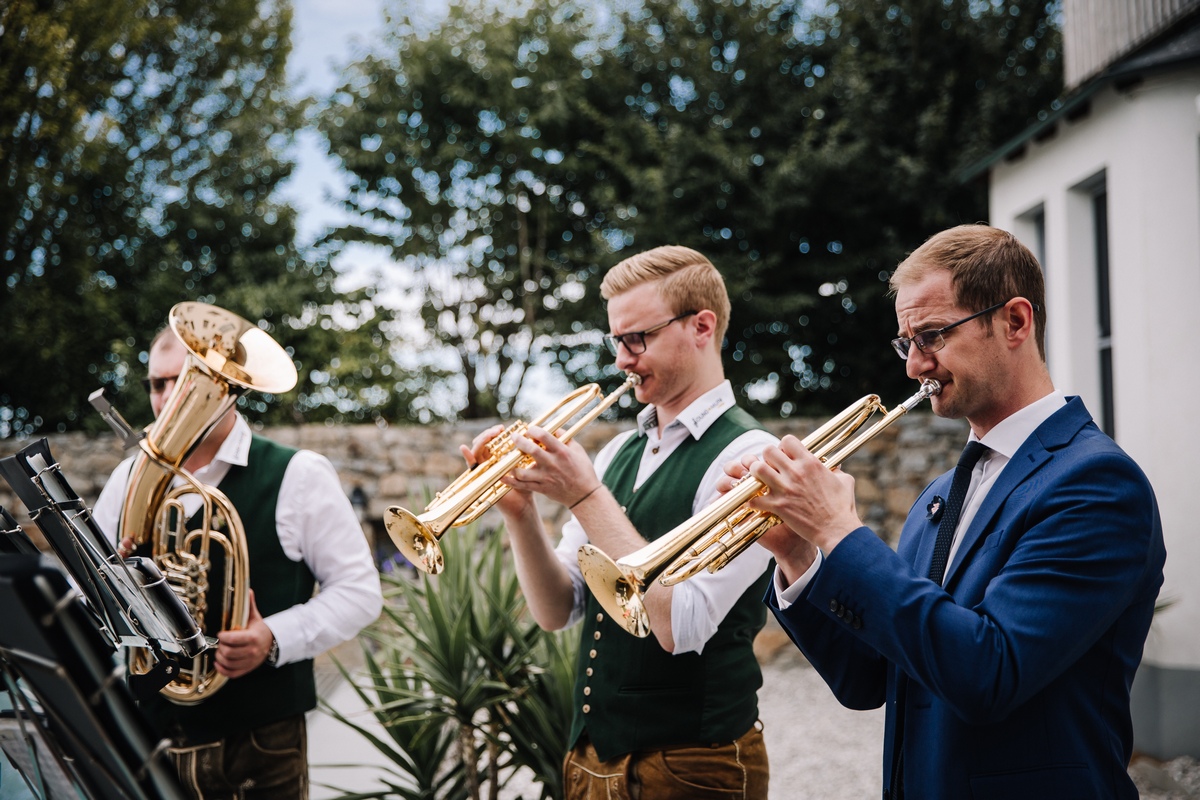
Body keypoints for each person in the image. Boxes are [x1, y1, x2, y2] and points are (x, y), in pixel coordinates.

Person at [726, 224, 1166, 799]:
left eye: (932, 335)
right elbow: (866, 680)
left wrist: (839, 530)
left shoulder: (1097, 483)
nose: (913, 365)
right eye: (906, 342)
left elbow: (988, 673)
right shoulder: (941, 492)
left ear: (1015, 322)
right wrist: (798, 551)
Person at [462, 245, 777, 800]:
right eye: (616, 341)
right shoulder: (617, 455)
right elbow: (558, 610)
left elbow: (681, 625)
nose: (621, 361)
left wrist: (585, 496)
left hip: (693, 766)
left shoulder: (752, 455)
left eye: (639, 339)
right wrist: (520, 515)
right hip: (591, 760)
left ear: (702, 327)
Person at [93, 325, 383, 800]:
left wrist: (273, 637)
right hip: (149, 735)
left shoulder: (299, 473)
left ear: (227, 389)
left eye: (183, 381)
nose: (166, 400)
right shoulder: (129, 476)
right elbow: (85, 589)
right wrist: (113, 580)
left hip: (258, 746)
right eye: (156, 384)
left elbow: (360, 592)